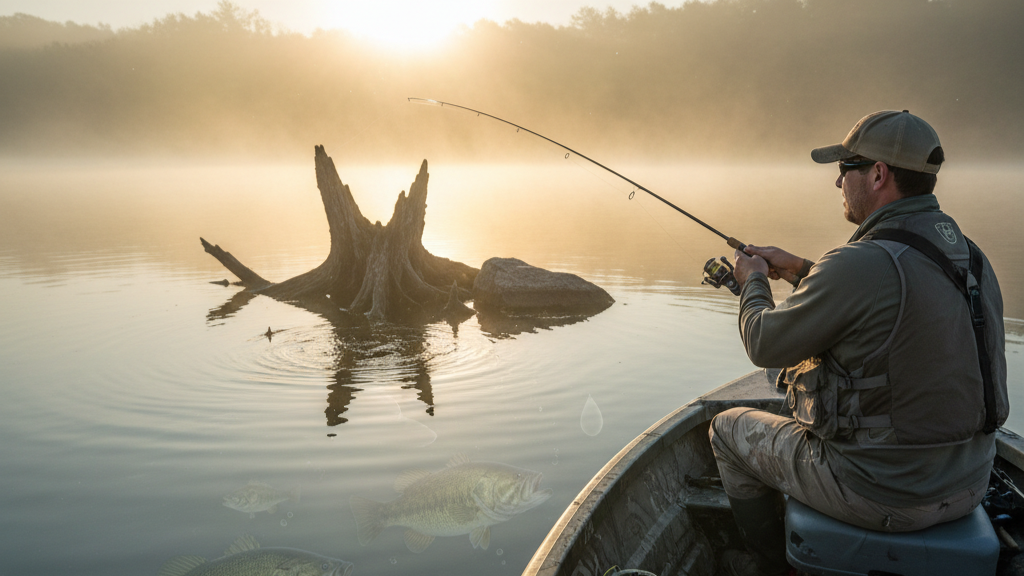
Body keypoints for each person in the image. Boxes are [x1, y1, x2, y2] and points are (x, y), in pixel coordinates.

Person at [708, 110, 1009, 576]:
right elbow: (901, 304)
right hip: (970, 482)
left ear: (878, 174)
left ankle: (763, 564)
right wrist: (805, 270)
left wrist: (754, 282)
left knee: (726, 429)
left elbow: (763, 343)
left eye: (845, 169)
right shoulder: (971, 256)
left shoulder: (858, 262)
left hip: (882, 493)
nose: (837, 183)